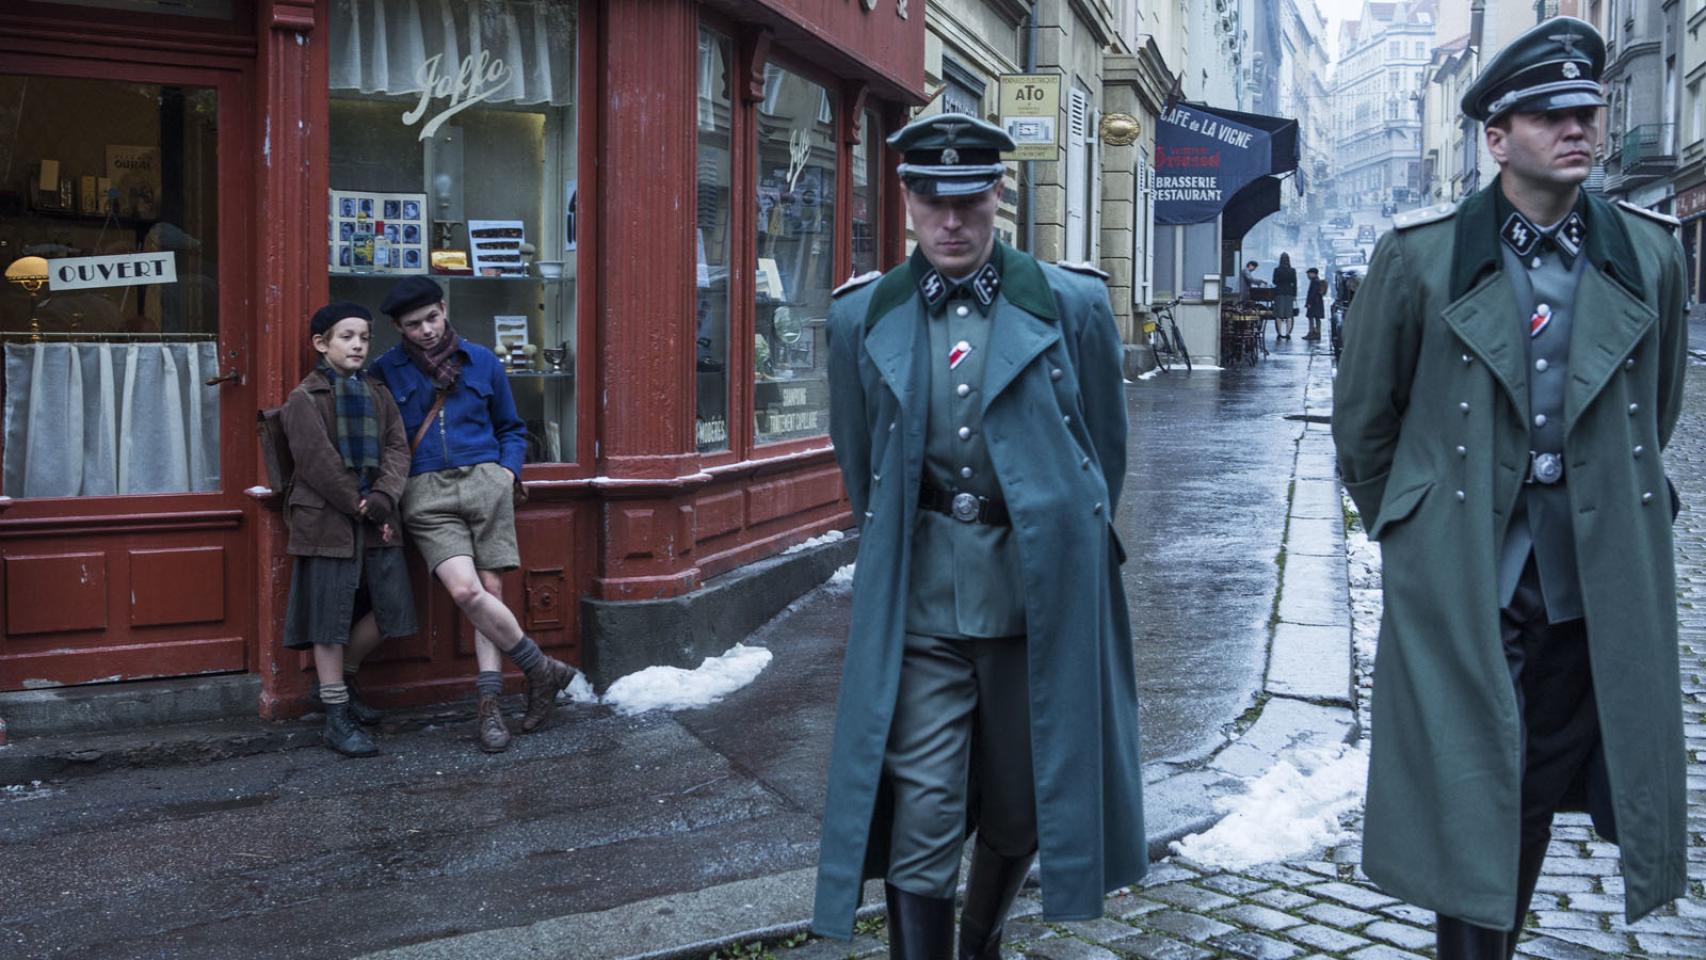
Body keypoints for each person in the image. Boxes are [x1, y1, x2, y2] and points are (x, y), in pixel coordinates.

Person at [1332, 18, 1688, 959]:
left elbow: (1654, 413)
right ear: (1496, 138)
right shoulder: (1419, 256)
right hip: (1467, 576)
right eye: (1548, 116)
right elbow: (1364, 423)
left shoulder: (1651, 253)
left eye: (1587, 111)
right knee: (1470, 782)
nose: (1578, 128)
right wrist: (1412, 530)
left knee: (1532, 787)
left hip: (1588, 579)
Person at [811, 113, 1145, 958]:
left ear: (1000, 193)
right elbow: (862, 466)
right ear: (907, 199)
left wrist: (1057, 535)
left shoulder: (1072, 304)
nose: (951, 221)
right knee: (923, 808)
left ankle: (981, 938)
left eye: (969, 199)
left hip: (1036, 603)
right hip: (923, 604)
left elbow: (1101, 458)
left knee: (1025, 805)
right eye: (933, 200)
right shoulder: (861, 316)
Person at [373, 277, 578, 753]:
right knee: (466, 591)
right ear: (398, 327)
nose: (426, 330)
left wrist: (506, 473)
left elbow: (511, 427)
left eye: (431, 318)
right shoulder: (385, 372)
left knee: (490, 590)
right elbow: (384, 442)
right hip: (426, 493)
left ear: (444, 309)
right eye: (413, 325)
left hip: (487, 484)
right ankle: (541, 669)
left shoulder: (481, 361)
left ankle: (489, 707)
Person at [281, 301, 416, 757]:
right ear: (322, 344)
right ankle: (336, 715)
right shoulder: (304, 399)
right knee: (329, 617)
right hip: (327, 520)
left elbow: (397, 448)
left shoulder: (378, 393)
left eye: (364, 337)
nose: (358, 345)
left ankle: (341, 680)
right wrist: (358, 502)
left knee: (390, 606)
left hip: (378, 514)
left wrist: (383, 496)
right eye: (347, 336)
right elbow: (315, 461)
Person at [1271, 252, 1297, 339]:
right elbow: (1295, 283)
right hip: (1289, 293)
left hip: (1279, 293)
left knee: (1279, 314)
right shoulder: (1292, 270)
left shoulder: (1277, 270)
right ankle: (1288, 333)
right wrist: (1294, 295)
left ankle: (1279, 333)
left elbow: (1274, 281)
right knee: (1289, 314)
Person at [1303, 266, 1326, 341]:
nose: (1308, 275)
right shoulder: (1316, 281)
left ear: (1314, 274)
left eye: (1309, 273)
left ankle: (1312, 333)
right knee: (1317, 318)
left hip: (1314, 303)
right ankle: (1317, 333)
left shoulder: (1315, 282)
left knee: (1311, 317)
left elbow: (1312, 293)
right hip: (1317, 302)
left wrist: (1309, 303)